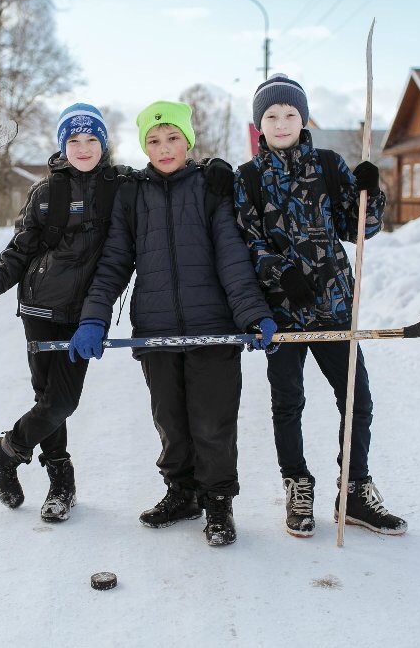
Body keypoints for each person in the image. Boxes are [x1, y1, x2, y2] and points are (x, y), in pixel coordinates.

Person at [67, 100, 276, 547]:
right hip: (157, 329)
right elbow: (114, 262)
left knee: (213, 423)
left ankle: (218, 502)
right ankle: (181, 493)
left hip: (213, 327)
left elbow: (232, 257)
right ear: (144, 145)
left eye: (173, 138)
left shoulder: (210, 187)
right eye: (154, 141)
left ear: (189, 141)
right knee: (171, 422)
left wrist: (253, 313)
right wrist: (93, 319)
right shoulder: (133, 194)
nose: (164, 148)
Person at [232, 73, 407, 537]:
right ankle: (298, 486)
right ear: (259, 125)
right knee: (288, 403)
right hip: (282, 312)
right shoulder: (247, 178)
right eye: (271, 116)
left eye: (290, 114)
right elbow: (247, 241)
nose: (282, 122)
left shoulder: (329, 164)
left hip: (333, 305)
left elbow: (360, 229)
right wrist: (280, 274)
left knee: (357, 400)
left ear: (304, 118)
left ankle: (353, 491)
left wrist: (371, 191)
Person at [0, 103, 122, 523]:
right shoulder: (47, 192)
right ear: (64, 145)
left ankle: (5, 451)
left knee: (63, 400)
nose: (83, 148)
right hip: (40, 308)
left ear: (104, 143)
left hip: (85, 312)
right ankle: (61, 482)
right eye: (74, 140)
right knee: (51, 401)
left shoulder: (122, 187)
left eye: (91, 139)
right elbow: (19, 253)